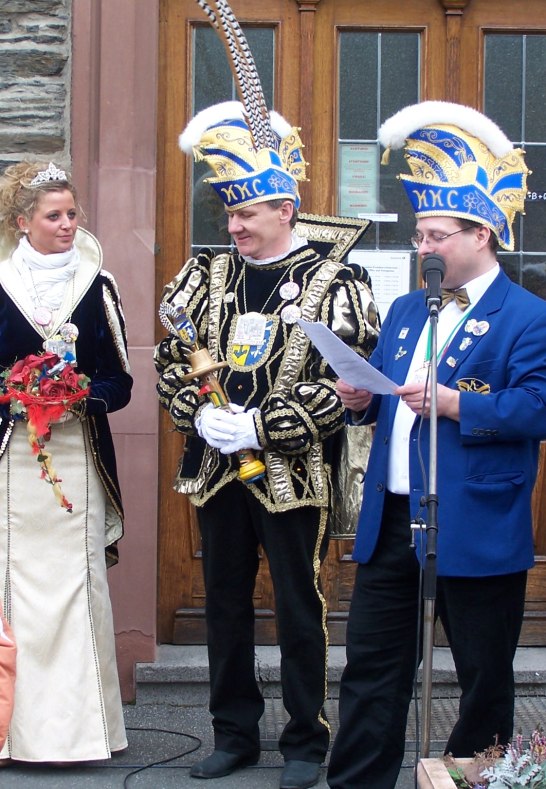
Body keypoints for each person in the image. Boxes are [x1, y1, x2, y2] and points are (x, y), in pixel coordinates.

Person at [155, 98, 379, 789]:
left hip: (295, 472)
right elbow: (170, 360)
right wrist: (198, 412)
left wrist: (261, 425)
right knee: (222, 599)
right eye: (229, 215)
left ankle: (307, 740)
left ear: (284, 206)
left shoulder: (337, 281)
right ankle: (234, 732)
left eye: (245, 214)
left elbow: (348, 381)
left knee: (298, 602)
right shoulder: (204, 275)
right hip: (217, 469)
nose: (234, 227)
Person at [326, 101, 546, 789]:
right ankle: (360, 780)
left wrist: (454, 403)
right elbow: (393, 402)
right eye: (419, 233)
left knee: (482, 673)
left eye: (435, 234)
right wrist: (361, 400)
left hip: (474, 519)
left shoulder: (528, 315)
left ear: (482, 233)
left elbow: (534, 406)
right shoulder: (401, 309)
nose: (422, 245)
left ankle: (473, 780)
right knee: (371, 665)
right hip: (394, 516)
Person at [0, 160, 132, 764]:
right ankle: (12, 731)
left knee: (77, 589)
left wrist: (80, 395)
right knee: (13, 590)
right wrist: (19, 393)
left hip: (76, 455)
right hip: (13, 461)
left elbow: (120, 380)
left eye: (72, 214)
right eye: (53, 216)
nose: (66, 224)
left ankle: (83, 734)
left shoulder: (97, 285)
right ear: (22, 221)